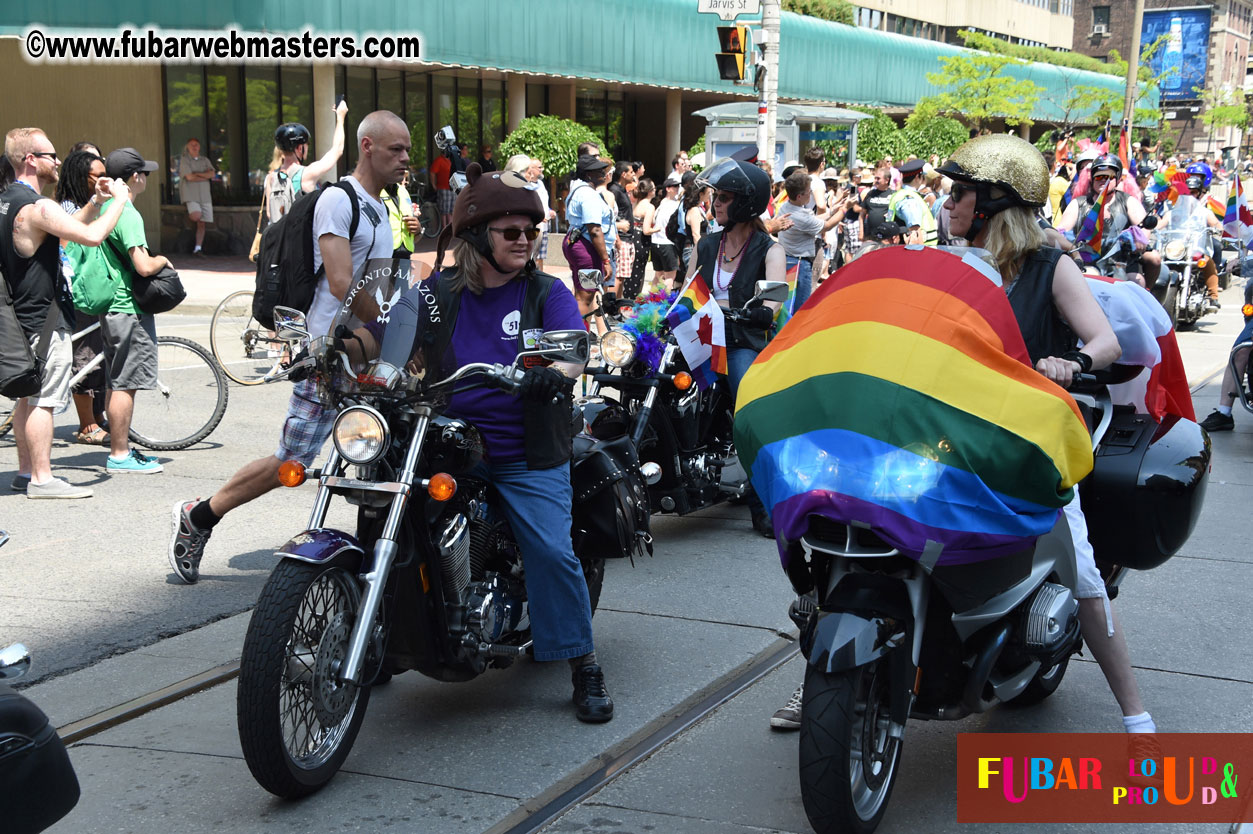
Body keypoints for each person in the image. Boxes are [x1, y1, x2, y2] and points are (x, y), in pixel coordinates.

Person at [369, 163, 613, 722]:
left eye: (531, 231)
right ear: (480, 237)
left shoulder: (545, 292)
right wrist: (348, 353)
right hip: (452, 443)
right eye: (511, 232)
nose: (526, 240)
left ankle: (583, 659)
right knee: (393, 512)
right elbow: (397, 327)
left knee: (551, 549)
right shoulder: (440, 293)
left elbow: (572, 349)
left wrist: (557, 370)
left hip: (525, 450)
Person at [939, 133, 1158, 751]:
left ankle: (1135, 717)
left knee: (1081, 566)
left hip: (1031, 432)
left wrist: (1072, 361)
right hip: (954, 426)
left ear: (992, 205)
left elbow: (1107, 341)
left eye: (960, 194)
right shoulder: (950, 264)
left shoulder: (1049, 266)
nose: (947, 203)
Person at [168, 110, 407, 584]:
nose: (405, 158)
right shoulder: (340, 201)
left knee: (389, 453)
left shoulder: (381, 208)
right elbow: (341, 283)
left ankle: (383, 571)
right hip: (326, 355)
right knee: (291, 462)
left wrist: (402, 326)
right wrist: (388, 326)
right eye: (395, 149)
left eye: (406, 150)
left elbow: (378, 287)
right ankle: (199, 516)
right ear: (367, 147)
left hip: (366, 352)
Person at [2, 128, 129, 498]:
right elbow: (91, 237)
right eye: (50, 155)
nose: (58, 162)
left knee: (27, 397)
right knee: (44, 399)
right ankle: (43, 478)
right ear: (30, 159)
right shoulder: (38, 206)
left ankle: (26, 473)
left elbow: (65, 232)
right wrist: (119, 200)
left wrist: (95, 202)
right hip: (43, 317)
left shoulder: (8, 201)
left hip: (18, 316)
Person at [680, 158, 785, 537]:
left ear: (745, 202)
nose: (715, 203)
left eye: (723, 197)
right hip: (703, 339)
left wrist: (762, 312)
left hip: (741, 340)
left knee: (748, 413)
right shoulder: (706, 245)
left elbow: (773, 299)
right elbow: (686, 289)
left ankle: (763, 504)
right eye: (716, 197)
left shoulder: (768, 249)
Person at [84, 148, 170, 475]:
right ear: (134, 177)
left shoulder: (105, 207)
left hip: (111, 305)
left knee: (115, 379)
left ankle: (120, 450)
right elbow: (143, 266)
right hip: (127, 306)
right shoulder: (129, 214)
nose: (146, 177)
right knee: (125, 383)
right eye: (144, 172)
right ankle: (120, 454)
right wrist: (162, 260)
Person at [53, 147, 110, 447]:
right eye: (98, 175)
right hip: (77, 291)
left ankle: (97, 417)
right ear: (80, 177)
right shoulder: (64, 207)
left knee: (97, 357)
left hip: (96, 289)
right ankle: (87, 424)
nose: (104, 180)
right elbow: (67, 241)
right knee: (84, 358)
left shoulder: (93, 203)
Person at [1056, 154, 1162, 292]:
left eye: (1109, 177)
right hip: (1086, 260)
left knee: (1140, 281)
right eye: (1099, 176)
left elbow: (1143, 226)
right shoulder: (1078, 203)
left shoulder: (1128, 201)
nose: (1103, 181)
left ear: (1117, 179)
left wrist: (1140, 238)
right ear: (1092, 178)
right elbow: (1062, 229)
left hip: (1121, 260)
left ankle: (1147, 301)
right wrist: (1061, 238)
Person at [264, 99, 349, 224]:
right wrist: (340, 118)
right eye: (306, 144)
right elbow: (337, 150)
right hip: (303, 241)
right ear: (299, 148)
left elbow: (270, 213)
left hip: (280, 241)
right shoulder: (307, 174)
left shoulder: (271, 177)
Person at [777, 170, 841, 310]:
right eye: (808, 192)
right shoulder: (800, 216)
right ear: (800, 196)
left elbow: (812, 221)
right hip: (799, 264)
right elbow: (827, 226)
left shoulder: (786, 207)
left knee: (787, 308)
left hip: (788, 261)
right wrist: (844, 210)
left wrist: (832, 211)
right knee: (801, 309)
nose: (811, 194)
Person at [562, 155, 615, 325]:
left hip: (578, 244)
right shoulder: (588, 195)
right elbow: (595, 230)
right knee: (585, 296)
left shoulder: (578, 190)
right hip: (586, 248)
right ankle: (579, 338)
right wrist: (606, 260)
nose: (603, 172)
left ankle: (577, 334)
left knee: (581, 292)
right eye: (598, 170)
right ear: (587, 174)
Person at [888, 158, 938, 246]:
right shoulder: (910, 200)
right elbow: (914, 232)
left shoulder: (900, 194)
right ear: (917, 177)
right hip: (922, 250)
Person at [178, 138, 215, 255]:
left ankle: (198, 248)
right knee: (196, 216)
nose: (194, 147)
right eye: (192, 145)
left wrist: (197, 174)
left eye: (197, 145)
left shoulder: (205, 160)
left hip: (205, 195)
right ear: (187, 147)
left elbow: (212, 174)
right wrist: (204, 176)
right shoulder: (185, 160)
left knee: (202, 222)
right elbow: (189, 177)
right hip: (191, 195)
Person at [649, 176, 682, 290]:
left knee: (658, 275)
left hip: (656, 242)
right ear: (668, 188)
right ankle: (665, 305)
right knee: (669, 278)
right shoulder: (673, 204)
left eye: (678, 186)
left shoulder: (660, 203)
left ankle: (651, 302)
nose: (677, 188)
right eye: (675, 186)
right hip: (667, 243)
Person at [525, 157, 557, 271]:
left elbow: (543, 202)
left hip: (544, 227)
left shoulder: (541, 184)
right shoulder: (526, 186)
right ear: (531, 169)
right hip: (534, 228)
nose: (542, 169)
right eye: (539, 167)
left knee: (540, 257)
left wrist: (549, 211)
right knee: (531, 256)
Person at [381, 169, 420, 257]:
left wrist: (418, 229)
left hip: (405, 255)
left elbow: (413, 230)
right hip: (383, 257)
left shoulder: (403, 191)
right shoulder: (373, 191)